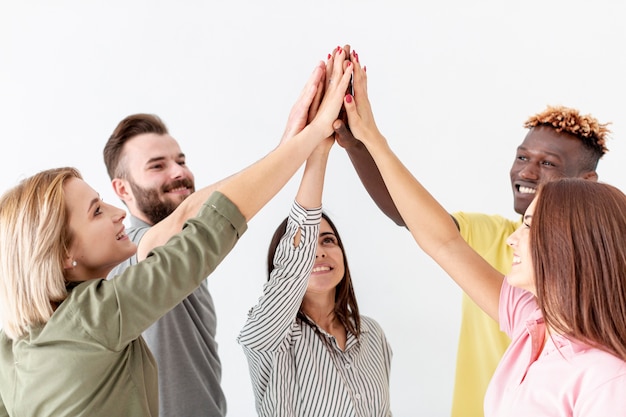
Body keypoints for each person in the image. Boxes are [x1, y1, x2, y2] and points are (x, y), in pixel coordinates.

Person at [0, 53, 353, 417]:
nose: (116, 214)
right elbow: (201, 224)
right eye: (97, 210)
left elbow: (189, 213)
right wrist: (306, 139)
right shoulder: (105, 302)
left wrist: (290, 146)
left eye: (181, 160)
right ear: (62, 253)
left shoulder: (13, 346)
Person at [340, 54, 626, 415]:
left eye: (531, 228)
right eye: (523, 157)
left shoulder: (607, 380)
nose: (512, 240)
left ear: (571, 241)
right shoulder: (532, 324)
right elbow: (442, 241)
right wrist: (368, 140)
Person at [238, 47, 392, 417]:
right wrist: (317, 150)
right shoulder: (268, 336)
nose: (319, 252)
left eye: (329, 241)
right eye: (309, 244)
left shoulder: (372, 336)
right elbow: (295, 263)